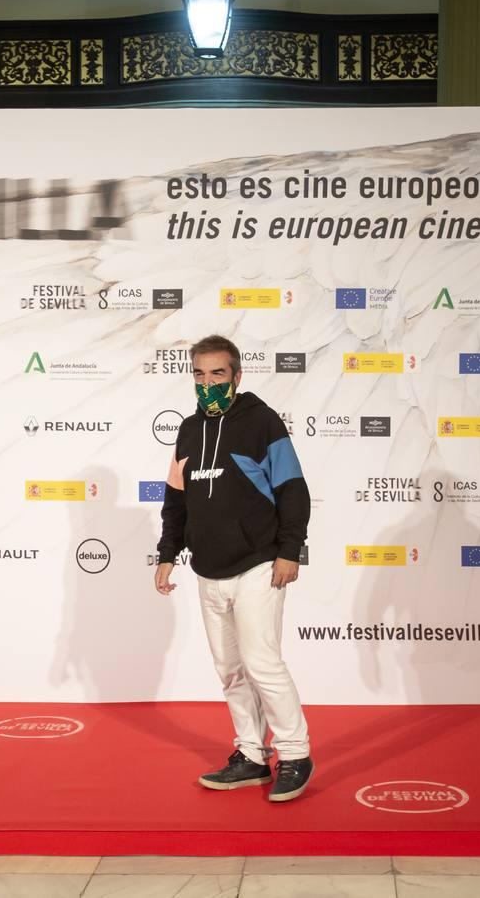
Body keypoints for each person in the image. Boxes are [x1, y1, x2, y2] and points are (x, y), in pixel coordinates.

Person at [154, 334, 314, 802]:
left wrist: (290, 550)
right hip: (208, 569)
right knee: (230, 670)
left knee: (262, 663)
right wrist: (167, 553)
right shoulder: (187, 430)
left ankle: (296, 753)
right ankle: (250, 754)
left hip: (258, 564)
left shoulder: (261, 423)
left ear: (237, 376)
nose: (208, 384)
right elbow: (176, 501)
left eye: (217, 374)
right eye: (199, 375)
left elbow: (292, 488)